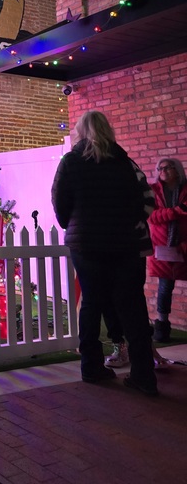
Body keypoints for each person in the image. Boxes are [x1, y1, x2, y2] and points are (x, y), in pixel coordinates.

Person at [52, 110, 158, 396]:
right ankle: (144, 375)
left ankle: (92, 367)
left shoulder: (71, 162)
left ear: (80, 131)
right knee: (133, 308)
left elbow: (60, 202)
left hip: (86, 244)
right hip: (125, 244)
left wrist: (74, 225)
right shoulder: (124, 162)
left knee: (91, 305)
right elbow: (142, 199)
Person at [147, 157, 187, 342]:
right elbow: (153, 217)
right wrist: (177, 211)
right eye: (159, 168)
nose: (163, 171)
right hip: (163, 247)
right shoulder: (154, 191)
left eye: (167, 167)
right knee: (165, 287)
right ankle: (162, 327)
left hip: (183, 244)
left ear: (177, 170)